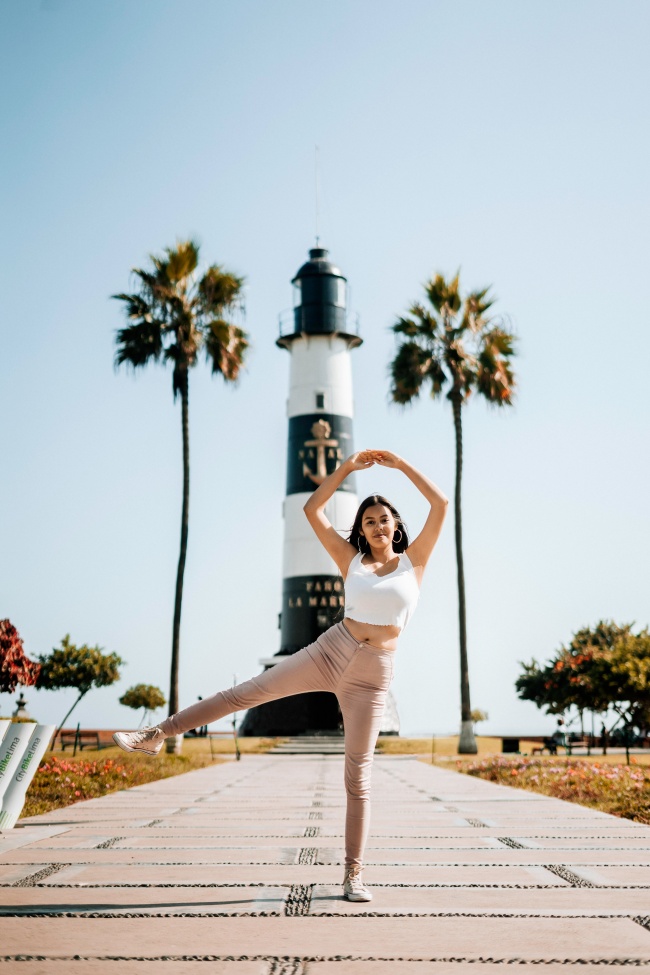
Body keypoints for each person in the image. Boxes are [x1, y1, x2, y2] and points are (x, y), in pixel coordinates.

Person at [113, 449, 448, 901]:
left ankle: (353, 874)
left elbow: (441, 503)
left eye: (384, 518)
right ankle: (157, 733)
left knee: (358, 775)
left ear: (396, 524)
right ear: (362, 530)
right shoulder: (349, 560)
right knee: (244, 694)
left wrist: (401, 466)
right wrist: (345, 469)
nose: (376, 525)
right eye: (368, 521)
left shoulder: (415, 562)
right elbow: (312, 509)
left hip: (373, 675)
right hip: (333, 650)